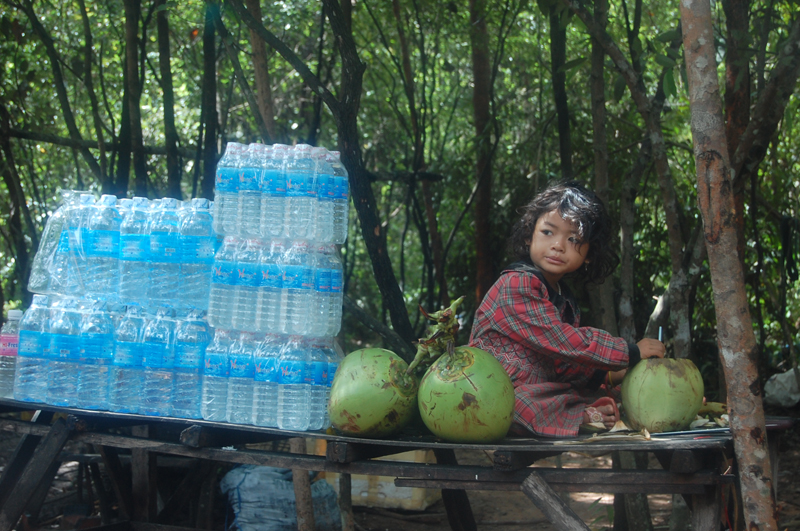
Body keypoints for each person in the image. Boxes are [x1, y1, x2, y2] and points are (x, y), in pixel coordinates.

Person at [469, 180, 665, 437]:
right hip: (483, 392)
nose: (558, 246)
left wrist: (605, 377)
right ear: (529, 234)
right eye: (548, 232)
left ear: (589, 253)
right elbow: (563, 342)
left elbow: (563, 363)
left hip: (536, 388)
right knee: (518, 403)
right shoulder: (516, 284)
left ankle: (584, 412)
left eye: (573, 239)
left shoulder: (564, 299)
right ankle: (580, 417)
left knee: (576, 391)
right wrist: (627, 352)